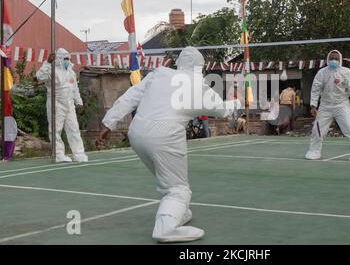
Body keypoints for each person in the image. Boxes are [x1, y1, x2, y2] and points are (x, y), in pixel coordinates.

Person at [96, 46, 238, 243]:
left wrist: (109, 122)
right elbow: (222, 111)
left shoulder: (159, 73)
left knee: (167, 182)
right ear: (200, 66)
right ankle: (166, 228)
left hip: (136, 133)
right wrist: (236, 103)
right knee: (177, 189)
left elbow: (132, 95)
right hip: (165, 136)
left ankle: (179, 212)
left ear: (178, 63)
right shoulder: (199, 85)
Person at [305, 50, 350, 161]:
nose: (334, 60)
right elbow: (315, 89)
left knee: (349, 128)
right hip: (325, 106)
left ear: (340, 60)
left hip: (342, 105)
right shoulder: (322, 72)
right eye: (331, 58)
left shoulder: (346, 72)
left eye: (336, 58)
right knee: (317, 129)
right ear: (328, 59)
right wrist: (313, 105)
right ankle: (314, 151)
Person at [36, 48, 88, 163]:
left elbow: (74, 88)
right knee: (55, 130)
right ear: (58, 59)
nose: (67, 60)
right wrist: (47, 63)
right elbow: (39, 77)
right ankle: (58, 155)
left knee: (74, 129)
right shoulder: (51, 70)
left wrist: (79, 102)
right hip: (56, 103)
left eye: (68, 58)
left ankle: (79, 153)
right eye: (64, 59)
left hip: (70, 105)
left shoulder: (71, 71)